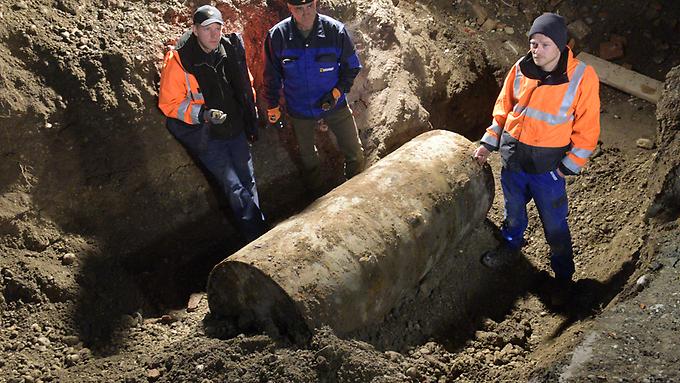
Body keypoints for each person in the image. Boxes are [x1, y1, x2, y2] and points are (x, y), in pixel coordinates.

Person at [473, 13, 600, 305]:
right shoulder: (520, 68)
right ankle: (510, 248)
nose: (536, 50)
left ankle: (563, 277)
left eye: (544, 44)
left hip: (547, 170)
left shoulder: (581, 76)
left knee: (555, 225)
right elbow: (503, 110)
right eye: (533, 43)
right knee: (513, 213)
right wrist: (488, 144)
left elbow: (588, 127)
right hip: (514, 161)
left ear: (560, 46)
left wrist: (567, 167)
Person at [158, 5, 267, 242]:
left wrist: (249, 117)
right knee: (234, 187)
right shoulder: (179, 61)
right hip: (208, 136)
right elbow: (169, 103)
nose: (214, 34)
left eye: (218, 28)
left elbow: (245, 85)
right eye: (208, 29)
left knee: (247, 180)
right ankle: (256, 235)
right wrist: (202, 114)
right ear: (195, 30)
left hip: (235, 129)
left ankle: (260, 233)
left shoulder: (229, 49)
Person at [263, 0, 365, 197]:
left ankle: (355, 198)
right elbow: (271, 76)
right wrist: (273, 105)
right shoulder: (278, 36)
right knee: (309, 161)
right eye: (299, 9)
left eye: (310, 6)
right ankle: (317, 201)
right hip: (299, 108)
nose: (306, 13)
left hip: (334, 103)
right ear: (289, 8)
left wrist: (336, 93)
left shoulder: (335, 31)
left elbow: (351, 67)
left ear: (316, 3)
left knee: (356, 154)